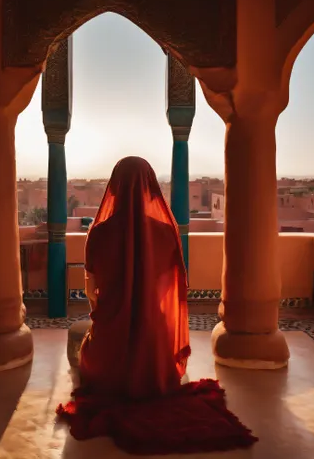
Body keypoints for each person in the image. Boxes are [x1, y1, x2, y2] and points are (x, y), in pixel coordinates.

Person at [57, 157, 257, 455]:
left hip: (109, 338)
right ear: (150, 189)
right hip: (155, 343)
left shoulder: (98, 232)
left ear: (115, 188)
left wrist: (111, 312)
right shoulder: (165, 232)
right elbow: (173, 287)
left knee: (84, 347)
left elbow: (91, 291)